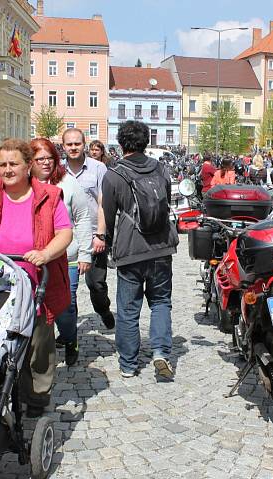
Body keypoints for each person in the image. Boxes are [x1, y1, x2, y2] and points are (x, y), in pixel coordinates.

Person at [0, 138, 71, 417]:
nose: (7, 170)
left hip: (36, 282)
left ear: (28, 166)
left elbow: (65, 233)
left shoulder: (49, 195)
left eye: (14, 164)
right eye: (3, 164)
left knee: (37, 345)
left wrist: (45, 254)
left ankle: (36, 397)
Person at [101, 120, 179, 379]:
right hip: (161, 248)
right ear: (146, 142)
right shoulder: (161, 169)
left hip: (131, 249)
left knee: (128, 309)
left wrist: (111, 247)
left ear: (121, 143)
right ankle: (160, 351)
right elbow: (165, 201)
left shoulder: (114, 174)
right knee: (160, 302)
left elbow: (109, 216)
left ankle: (128, 364)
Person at [31, 137, 91, 366]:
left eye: (50, 158)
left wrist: (85, 253)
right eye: (40, 159)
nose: (46, 163)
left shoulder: (67, 182)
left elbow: (83, 218)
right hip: (32, 258)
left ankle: (70, 338)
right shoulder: (24, 184)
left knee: (66, 304)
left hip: (68, 257)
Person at [62, 128, 115, 330]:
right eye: (69, 144)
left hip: (94, 235)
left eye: (77, 143)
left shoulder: (98, 168)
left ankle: (103, 309)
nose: (73, 148)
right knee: (68, 290)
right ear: (64, 146)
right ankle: (69, 333)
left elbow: (103, 203)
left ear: (84, 144)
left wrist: (100, 235)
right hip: (66, 237)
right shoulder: (58, 169)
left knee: (96, 284)